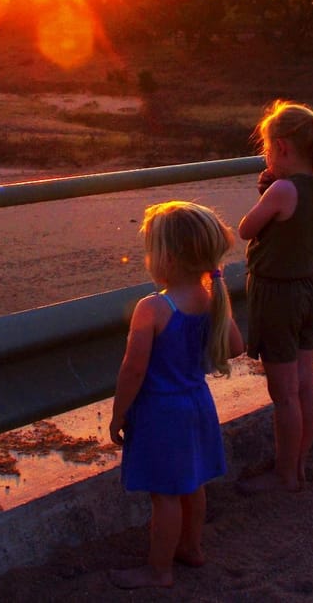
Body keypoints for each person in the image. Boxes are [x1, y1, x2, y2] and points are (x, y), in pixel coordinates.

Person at [108, 200, 245, 590]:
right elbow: (235, 346)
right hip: (198, 405)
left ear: (166, 256)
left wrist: (119, 414)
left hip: (161, 413)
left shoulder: (153, 308)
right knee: (192, 484)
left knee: (165, 495)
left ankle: (159, 569)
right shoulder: (210, 299)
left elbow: (133, 370)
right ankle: (192, 548)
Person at [237, 99, 313, 493]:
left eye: (266, 148)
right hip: (307, 291)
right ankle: (298, 463)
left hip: (277, 296)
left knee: (283, 395)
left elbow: (247, 229)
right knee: (304, 384)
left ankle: (284, 476)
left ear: (281, 147)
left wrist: (264, 192)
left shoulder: (281, 189)